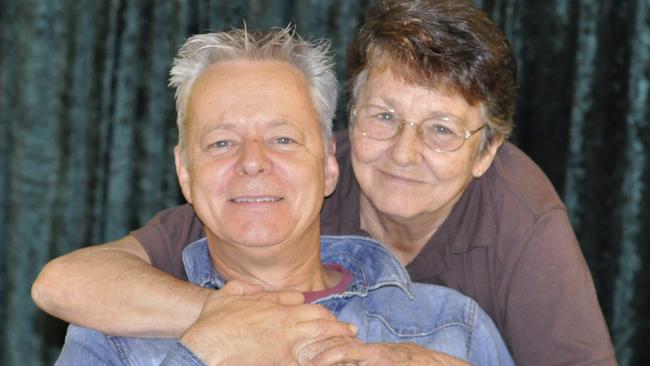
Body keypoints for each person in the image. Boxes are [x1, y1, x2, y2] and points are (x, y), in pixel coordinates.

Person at [34, 1, 616, 365]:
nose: (254, 163)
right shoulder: (118, 334)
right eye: (384, 117)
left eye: (441, 130)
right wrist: (215, 335)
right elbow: (65, 281)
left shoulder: (453, 324)